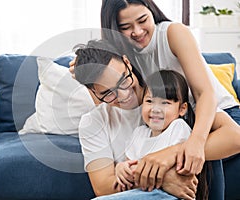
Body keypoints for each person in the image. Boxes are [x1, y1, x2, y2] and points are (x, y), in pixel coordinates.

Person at [70, 0, 240, 198]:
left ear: (152, 11)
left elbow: (205, 94)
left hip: (216, 112)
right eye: (125, 27)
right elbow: (109, 110)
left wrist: (178, 151)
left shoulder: (172, 34)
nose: (138, 31)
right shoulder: (128, 58)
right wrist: (88, 71)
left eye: (142, 20)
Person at [115, 70, 208, 200]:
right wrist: (121, 168)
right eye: (149, 101)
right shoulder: (139, 133)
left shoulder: (178, 128)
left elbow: (176, 171)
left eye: (165, 103)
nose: (156, 109)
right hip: (141, 192)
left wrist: (134, 171)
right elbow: (129, 164)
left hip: (168, 194)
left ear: (182, 109)